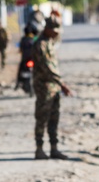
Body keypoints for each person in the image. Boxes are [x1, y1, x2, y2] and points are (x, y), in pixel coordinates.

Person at [31, 16, 73, 160]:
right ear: (47, 29)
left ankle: (54, 148)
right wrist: (63, 84)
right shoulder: (40, 44)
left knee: (54, 118)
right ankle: (39, 148)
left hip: (54, 86)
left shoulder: (50, 42)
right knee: (42, 117)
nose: (57, 33)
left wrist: (59, 85)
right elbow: (48, 69)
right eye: (54, 30)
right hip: (44, 87)